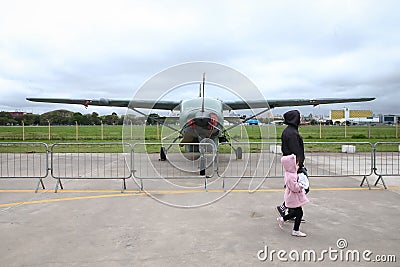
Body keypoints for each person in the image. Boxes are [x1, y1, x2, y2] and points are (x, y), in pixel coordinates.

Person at [276, 110, 309, 218]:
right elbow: (296, 151)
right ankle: (290, 210)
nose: (301, 119)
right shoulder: (293, 133)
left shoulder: (288, 131)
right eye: (299, 117)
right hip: (294, 166)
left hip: (291, 165)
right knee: (302, 187)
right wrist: (299, 166)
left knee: (294, 189)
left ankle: (289, 210)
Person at [277, 154, 309, 237]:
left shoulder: (290, 174)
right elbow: (294, 188)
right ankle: (295, 230)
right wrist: (301, 185)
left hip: (293, 197)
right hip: (293, 197)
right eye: (297, 164)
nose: (298, 166)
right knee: (299, 212)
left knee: (297, 212)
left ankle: (283, 219)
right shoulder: (291, 176)